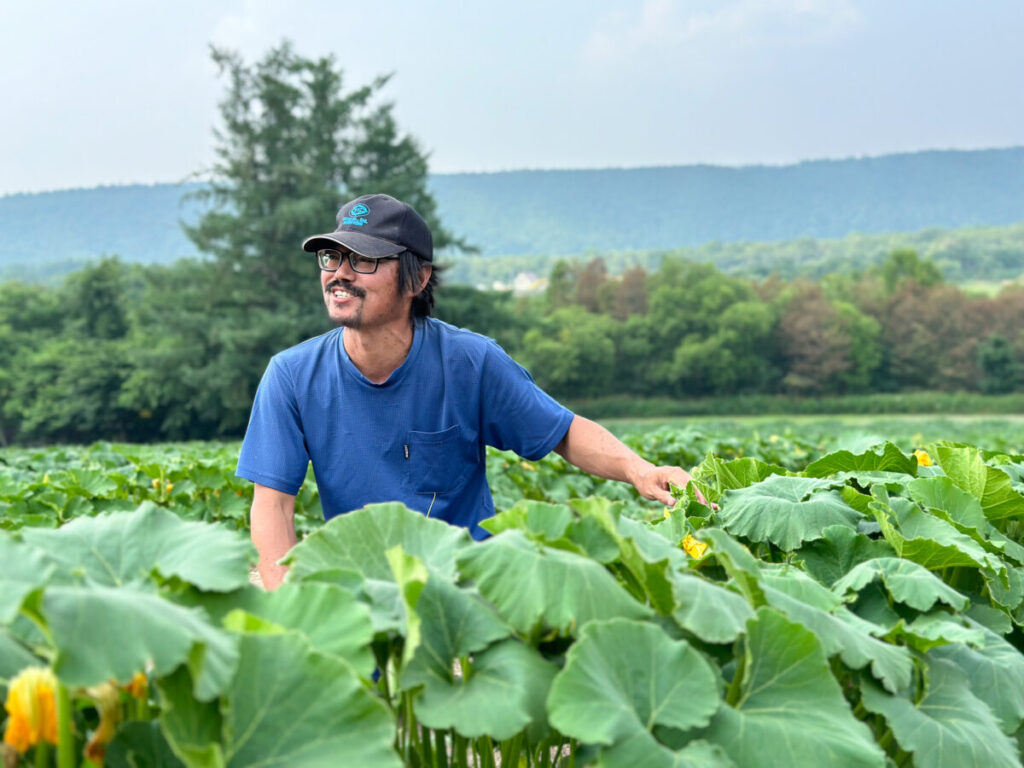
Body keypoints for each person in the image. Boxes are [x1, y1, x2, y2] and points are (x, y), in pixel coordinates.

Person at [237, 193, 704, 590]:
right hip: (360, 589)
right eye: (332, 258)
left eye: (363, 260)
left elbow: (561, 431)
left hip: (465, 587)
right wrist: (293, 609)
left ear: (417, 279)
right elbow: (273, 507)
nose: (340, 273)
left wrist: (640, 470)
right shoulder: (292, 376)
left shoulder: (469, 362)